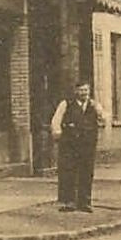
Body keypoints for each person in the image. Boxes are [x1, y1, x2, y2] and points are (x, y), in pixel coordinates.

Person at [50, 81, 106, 212]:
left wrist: (100, 116)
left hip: (87, 144)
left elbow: (103, 119)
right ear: (76, 92)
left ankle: (85, 202)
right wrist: (58, 134)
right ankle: (69, 201)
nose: (84, 93)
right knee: (69, 171)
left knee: (87, 171)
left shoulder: (93, 105)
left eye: (86, 90)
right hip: (70, 144)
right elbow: (56, 120)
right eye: (81, 90)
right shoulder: (66, 104)